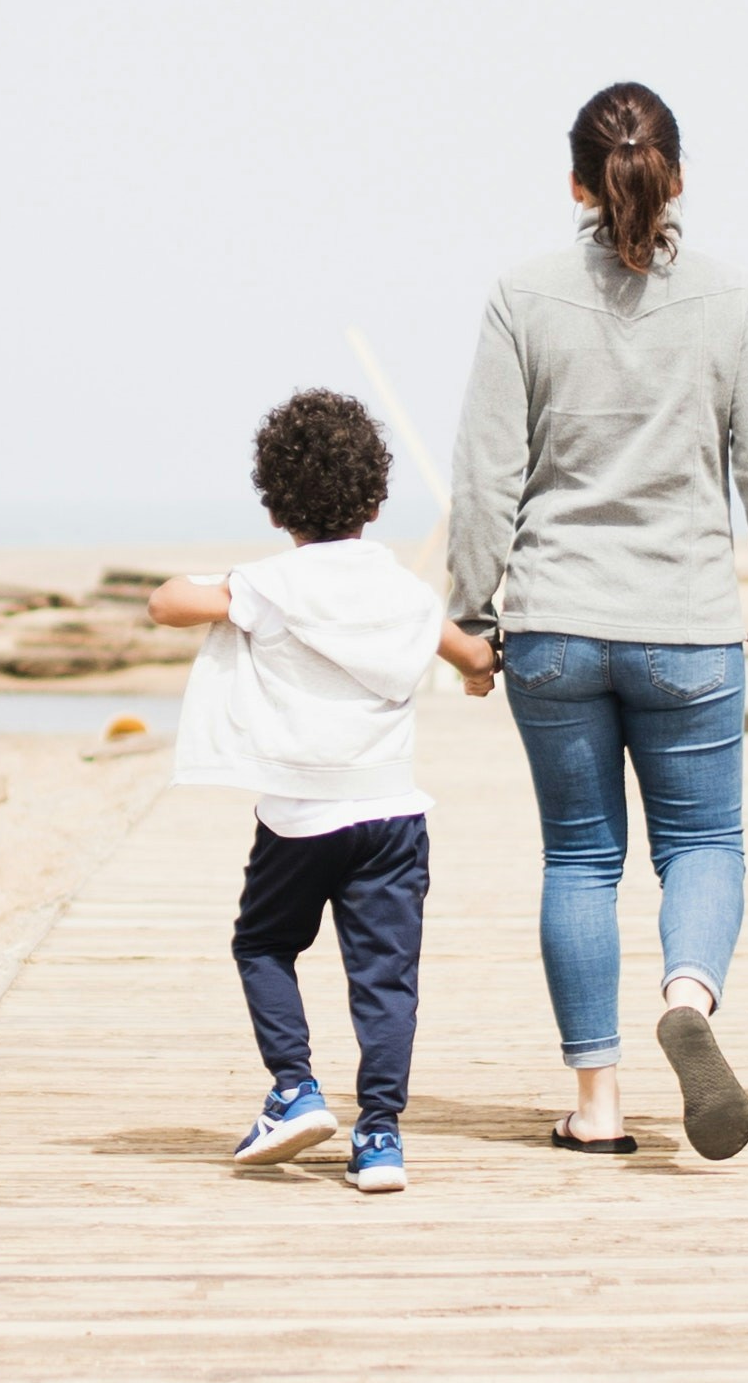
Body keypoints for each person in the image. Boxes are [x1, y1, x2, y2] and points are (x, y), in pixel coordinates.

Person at [448, 83, 748, 1159]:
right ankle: (689, 994)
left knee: (579, 858)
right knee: (701, 840)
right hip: (688, 625)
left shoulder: (522, 295)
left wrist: (470, 618)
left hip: (555, 623)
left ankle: (597, 1105)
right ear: (679, 174)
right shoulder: (733, 298)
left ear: (573, 182)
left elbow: (483, 477)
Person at [152, 388, 496, 1192]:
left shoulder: (271, 585)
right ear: (376, 499)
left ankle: (296, 1087)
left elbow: (168, 601)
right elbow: (471, 658)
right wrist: (481, 672)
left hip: (300, 817)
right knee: (385, 978)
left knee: (264, 944)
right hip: (392, 815)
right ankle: (380, 1135)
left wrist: (220, 587)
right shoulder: (407, 596)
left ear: (276, 507)